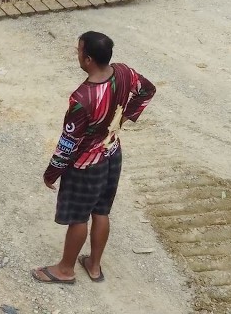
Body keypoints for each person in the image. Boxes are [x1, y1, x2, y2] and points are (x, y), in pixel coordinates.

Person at [32, 31, 156, 286]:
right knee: (101, 211)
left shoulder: (82, 99)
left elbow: (69, 143)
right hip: (112, 154)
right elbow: (147, 90)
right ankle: (94, 265)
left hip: (87, 164)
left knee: (79, 217)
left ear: (88, 59)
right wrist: (123, 118)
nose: (77, 55)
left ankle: (65, 270)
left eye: (78, 51)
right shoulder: (124, 72)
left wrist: (51, 172)